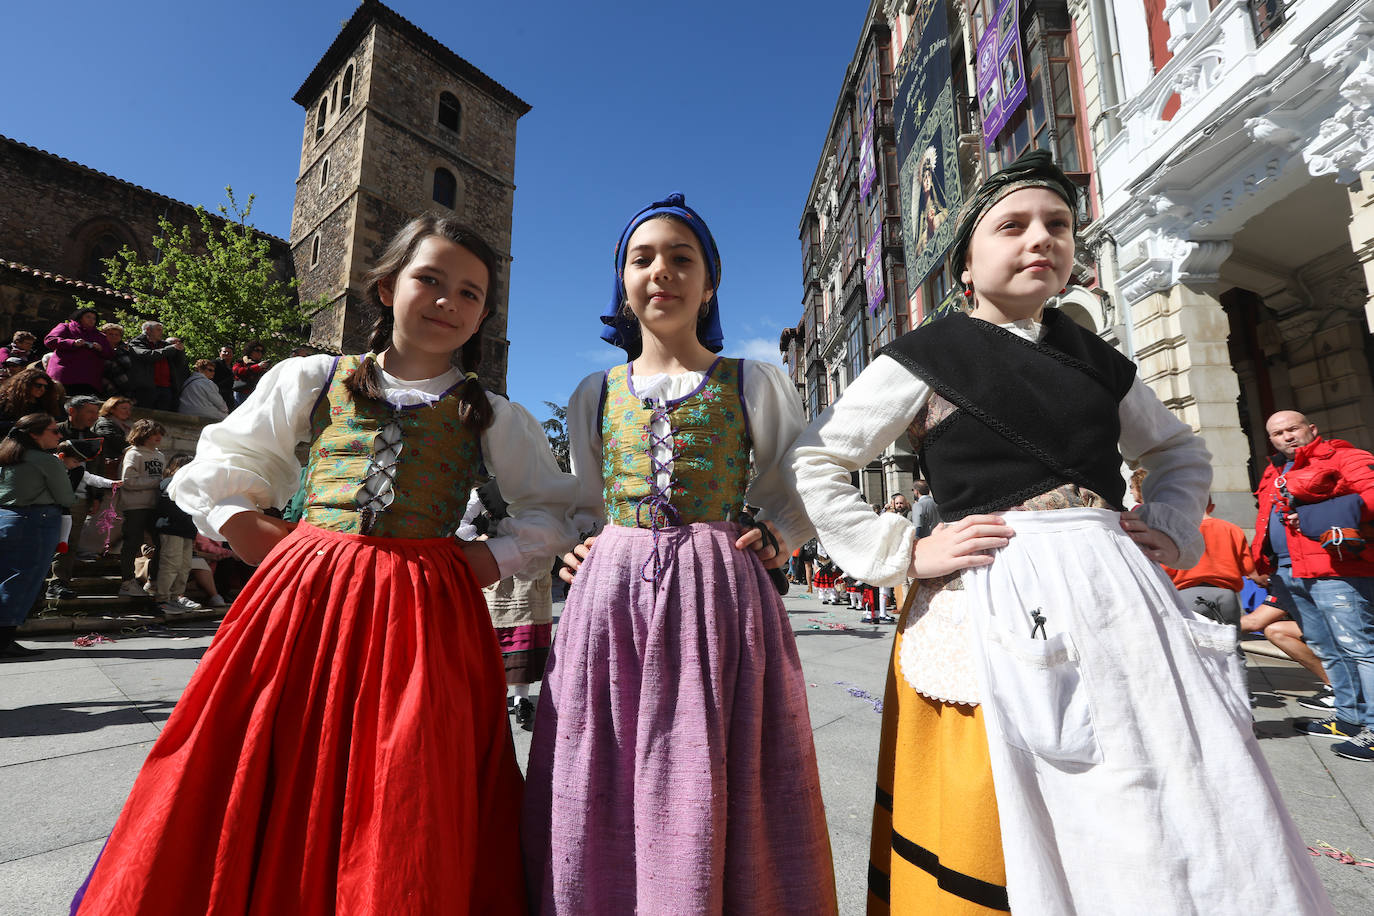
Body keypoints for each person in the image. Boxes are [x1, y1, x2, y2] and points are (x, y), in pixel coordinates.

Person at [788, 150, 1332, 915]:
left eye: (1058, 225)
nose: (1040, 237)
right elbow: (818, 458)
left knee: (1155, 782)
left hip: (1117, 592)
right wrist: (904, 552)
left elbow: (1178, 449)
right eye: (1012, 225)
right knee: (1005, 789)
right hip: (994, 587)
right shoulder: (925, 357)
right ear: (965, 268)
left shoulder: (1099, 360)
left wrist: (1170, 527)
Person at [71, 214, 579, 915]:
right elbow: (226, 460)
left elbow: (557, 507)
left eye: (469, 292)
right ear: (384, 287)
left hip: (426, 610)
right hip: (306, 596)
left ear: (484, 314)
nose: (446, 300)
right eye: (429, 279)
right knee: (271, 748)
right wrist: (256, 533)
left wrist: (491, 557)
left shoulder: (489, 413)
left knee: (407, 769)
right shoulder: (315, 378)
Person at [523, 193, 836, 914]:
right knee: (603, 755)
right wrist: (577, 546)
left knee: (716, 763)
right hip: (611, 601)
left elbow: (806, 477)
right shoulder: (595, 392)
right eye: (644, 259)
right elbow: (582, 495)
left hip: (719, 596)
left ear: (710, 282)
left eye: (681, 257)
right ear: (623, 283)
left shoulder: (752, 381)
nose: (661, 271)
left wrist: (782, 534)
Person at [1253, 409, 1374, 761]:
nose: (1287, 436)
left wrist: (1313, 510)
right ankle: (1350, 719)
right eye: (1278, 433)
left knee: (1360, 646)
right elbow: (1265, 518)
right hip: (1290, 571)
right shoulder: (1273, 470)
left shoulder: (1345, 456)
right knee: (1328, 647)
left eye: (1293, 429)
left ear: (1312, 429)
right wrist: (1261, 562)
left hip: (1336, 568)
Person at [461, 481, 554, 731]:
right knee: (496, 641)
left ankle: (521, 700)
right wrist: (476, 540)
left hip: (532, 572)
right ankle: (497, 702)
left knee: (524, 640)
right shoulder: (485, 490)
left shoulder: (541, 484)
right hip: (498, 572)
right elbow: (460, 522)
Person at [0, 413, 73, 658]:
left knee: (7, 579)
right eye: (54, 430)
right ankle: (4, 641)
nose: (59, 434)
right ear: (35, 434)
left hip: (4, 518)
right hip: (35, 523)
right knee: (22, 582)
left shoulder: (6, 456)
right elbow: (66, 498)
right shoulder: (47, 461)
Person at [1164, 496, 1257, 633]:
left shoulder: (1175, 533)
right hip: (1227, 595)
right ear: (1211, 507)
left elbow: (1165, 570)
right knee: (1232, 643)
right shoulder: (1232, 529)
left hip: (1188, 595)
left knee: (1197, 647)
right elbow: (1248, 568)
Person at [45, 395, 105, 598]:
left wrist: (95, 497)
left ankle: (59, 582)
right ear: (72, 411)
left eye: (96, 412)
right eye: (90, 411)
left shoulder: (94, 437)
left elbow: (97, 468)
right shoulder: (53, 432)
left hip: (78, 499)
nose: (94, 416)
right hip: (47, 496)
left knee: (69, 541)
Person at [115, 419, 165, 598]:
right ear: (143, 434)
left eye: (160, 433)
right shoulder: (133, 454)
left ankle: (153, 581)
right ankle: (127, 583)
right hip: (135, 505)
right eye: (154, 433)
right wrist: (157, 482)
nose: (159, 437)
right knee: (132, 543)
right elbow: (127, 482)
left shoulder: (160, 455)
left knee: (162, 543)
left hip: (155, 506)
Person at [151, 454, 203, 616]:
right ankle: (162, 599)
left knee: (184, 566)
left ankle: (176, 596)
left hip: (186, 530)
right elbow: (168, 506)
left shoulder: (192, 486)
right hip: (171, 528)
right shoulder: (169, 483)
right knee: (171, 564)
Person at [44, 306, 114, 397]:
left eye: (94, 318)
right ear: (80, 317)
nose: (91, 320)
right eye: (88, 317)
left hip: (89, 380)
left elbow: (110, 354)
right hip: (64, 376)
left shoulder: (101, 336)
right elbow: (49, 340)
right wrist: (72, 343)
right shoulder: (66, 327)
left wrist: (101, 349)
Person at [126, 321, 184, 411]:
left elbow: (179, 363)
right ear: (148, 330)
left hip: (167, 388)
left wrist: (180, 351)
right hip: (146, 389)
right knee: (145, 416)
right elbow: (148, 356)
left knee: (164, 418)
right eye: (158, 330)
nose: (162, 332)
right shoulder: (136, 343)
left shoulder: (165, 345)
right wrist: (170, 349)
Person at [0, 366, 62, 435]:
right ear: (26, 384)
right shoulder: (5, 401)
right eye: (38, 385)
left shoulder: (46, 403)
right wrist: (24, 423)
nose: (42, 389)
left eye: (46, 387)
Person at [99, 323, 133, 398]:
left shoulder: (126, 350)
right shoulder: (99, 349)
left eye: (117, 334)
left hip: (125, 385)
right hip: (104, 385)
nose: (114, 336)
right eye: (110, 334)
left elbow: (129, 366)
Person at [232, 341, 270, 405]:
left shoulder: (262, 365)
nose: (259, 353)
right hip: (242, 393)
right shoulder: (241, 362)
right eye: (257, 350)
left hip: (256, 394)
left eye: (261, 351)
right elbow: (237, 371)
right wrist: (257, 366)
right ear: (250, 351)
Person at [211, 345, 236, 410]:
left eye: (229, 352)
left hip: (229, 396)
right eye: (224, 352)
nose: (227, 354)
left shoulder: (233, 367)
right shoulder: (215, 363)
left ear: (232, 355)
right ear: (220, 353)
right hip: (216, 393)